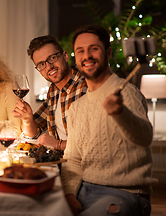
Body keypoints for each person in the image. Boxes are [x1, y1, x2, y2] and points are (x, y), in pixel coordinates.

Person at [61, 24, 157, 216]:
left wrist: (120, 114)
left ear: (108, 53)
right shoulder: (76, 107)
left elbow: (145, 137)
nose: (87, 56)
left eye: (94, 49)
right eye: (80, 51)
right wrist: (70, 195)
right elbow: (72, 159)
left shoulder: (127, 93)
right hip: (82, 190)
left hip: (125, 194)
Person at [13, 35, 87, 151]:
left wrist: (58, 144)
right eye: (41, 64)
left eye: (52, 58)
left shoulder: (86, 85)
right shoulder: (54, 91)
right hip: (60, 163)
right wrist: (27, 119)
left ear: (65, 56)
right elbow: (33, 132)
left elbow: (93, 139)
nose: (49, 67)